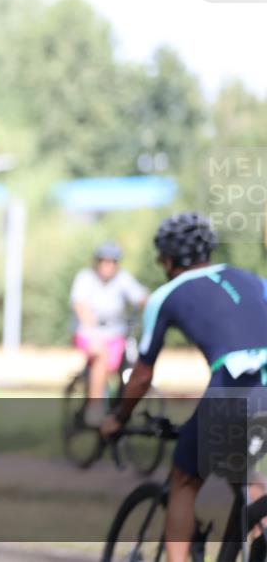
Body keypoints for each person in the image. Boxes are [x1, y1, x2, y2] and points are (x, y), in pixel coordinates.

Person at [100, 212, 267, 562]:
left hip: (239, 383)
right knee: (247, 478)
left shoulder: (167, 294)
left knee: (184, 480)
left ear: (169, 258)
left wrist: (117, 417)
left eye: (161, 256)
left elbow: (142, 375)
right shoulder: (251, 279)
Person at [69, 241, 148, 425]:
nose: (107, 266)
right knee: (101, 356)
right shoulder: (85, 278)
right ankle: (94, 407)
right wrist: (89, 321)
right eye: (103, 261)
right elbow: (79, 304)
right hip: (89, 333)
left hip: (116, 334)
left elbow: (140, 296)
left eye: (111, 262)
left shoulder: (123, 279)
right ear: (97, 262)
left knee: (134, 361)